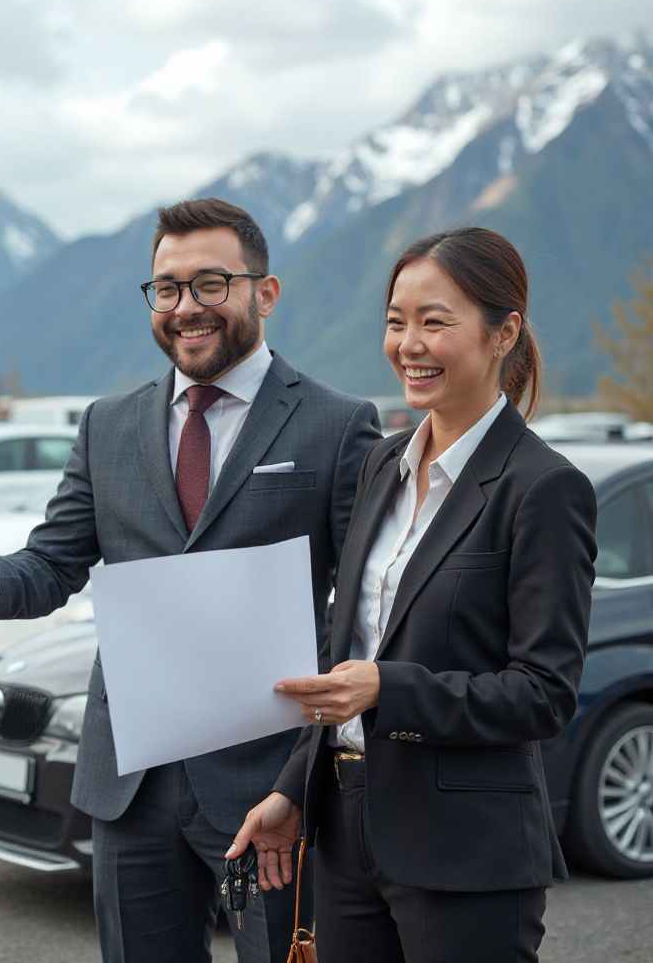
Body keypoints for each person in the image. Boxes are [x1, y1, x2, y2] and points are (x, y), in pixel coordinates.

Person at [0, 197, 381, 963]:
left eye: (210, 284)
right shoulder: (109, 424)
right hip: (130, 778)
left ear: (264, 293)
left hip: (269, 779)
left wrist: (311, 769)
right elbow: (55, 561)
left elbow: (359, 604)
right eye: (166, 288)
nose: (185, 307)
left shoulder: (337, 425)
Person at [227, 227, 598, 963]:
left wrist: (385, 690)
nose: (408, 344)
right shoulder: (381, 463)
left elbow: (543, 694)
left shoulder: (545, 487)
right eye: (397, 321)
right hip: (346, 834)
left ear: (505, 333)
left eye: (435, 321)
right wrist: (293, 791)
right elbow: (347, 659)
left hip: (466, 853)